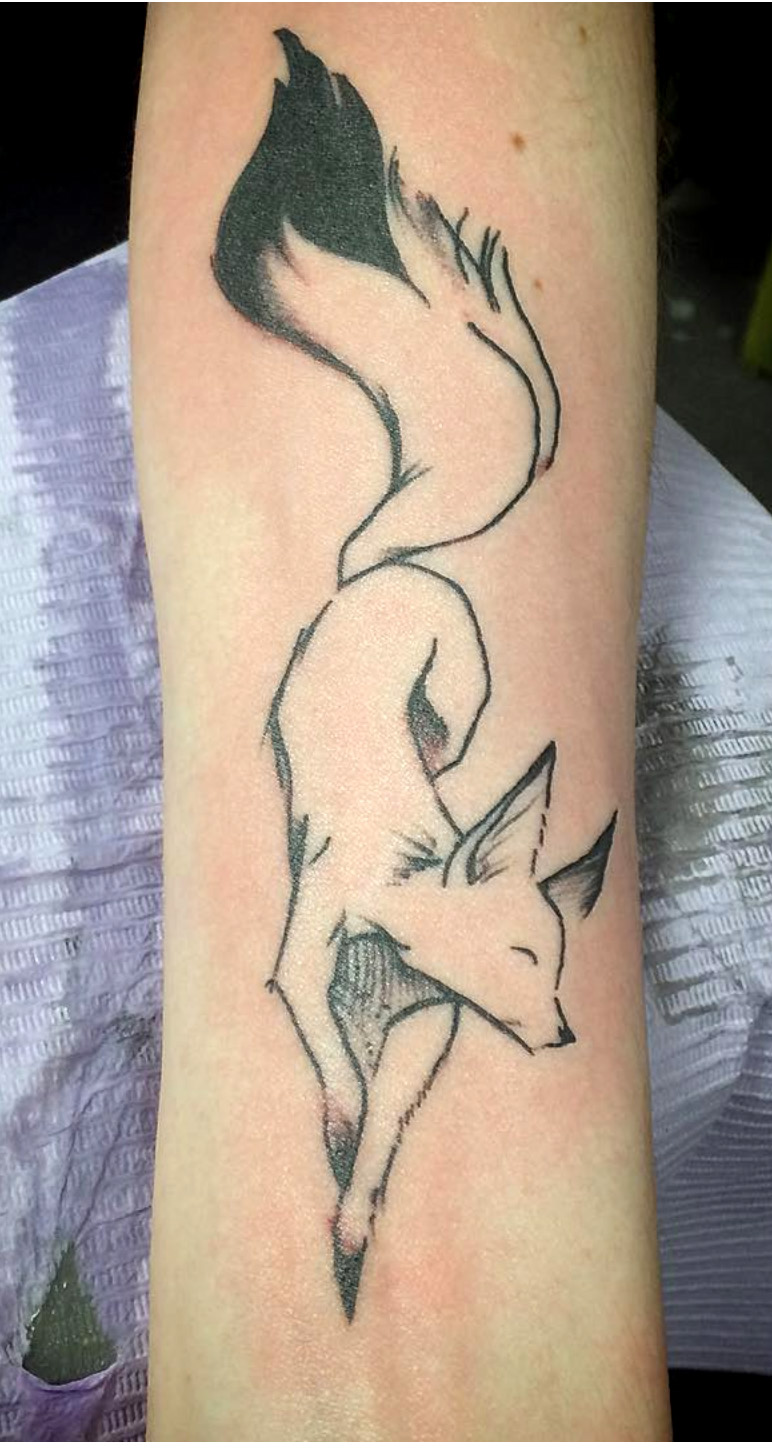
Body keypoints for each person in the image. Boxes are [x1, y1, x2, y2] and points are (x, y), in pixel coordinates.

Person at [130, 3, 671, 1438]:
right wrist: (330, 1093)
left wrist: (372, 1195)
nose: (540, 1009)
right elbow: (294, 974)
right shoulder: (374, 869)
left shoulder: (436, 898)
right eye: (528, 967)